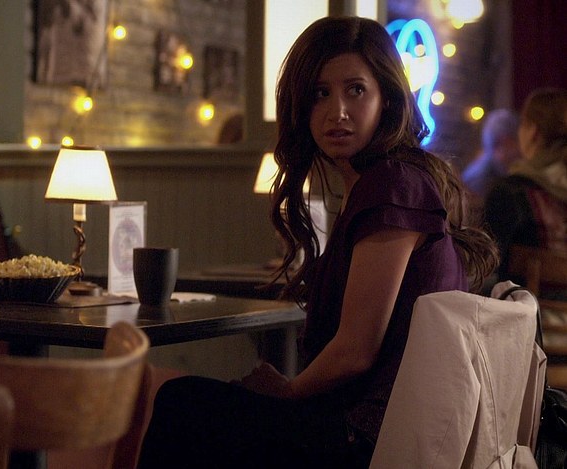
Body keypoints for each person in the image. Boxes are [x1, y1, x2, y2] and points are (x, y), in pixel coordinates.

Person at [136, 16, 498, 468]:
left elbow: (356, 353)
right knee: (186, 401)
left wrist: (286, 391)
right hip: (363, 424)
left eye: (356, 90)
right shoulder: (381, 182)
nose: (337, 112)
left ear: (387, 98)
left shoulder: (392, 185)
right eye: (320, 94)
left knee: (181, 402)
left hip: (369, 438)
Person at [483, 87, 567, 284]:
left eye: (522, 124)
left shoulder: (511, 192)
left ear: (533, 132)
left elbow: (487, 265)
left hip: (526, 303)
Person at [461, 109, 522, 224]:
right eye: (516, 140)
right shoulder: (481, 181)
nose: (520, 149)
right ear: (505, 140)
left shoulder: (483, 173)